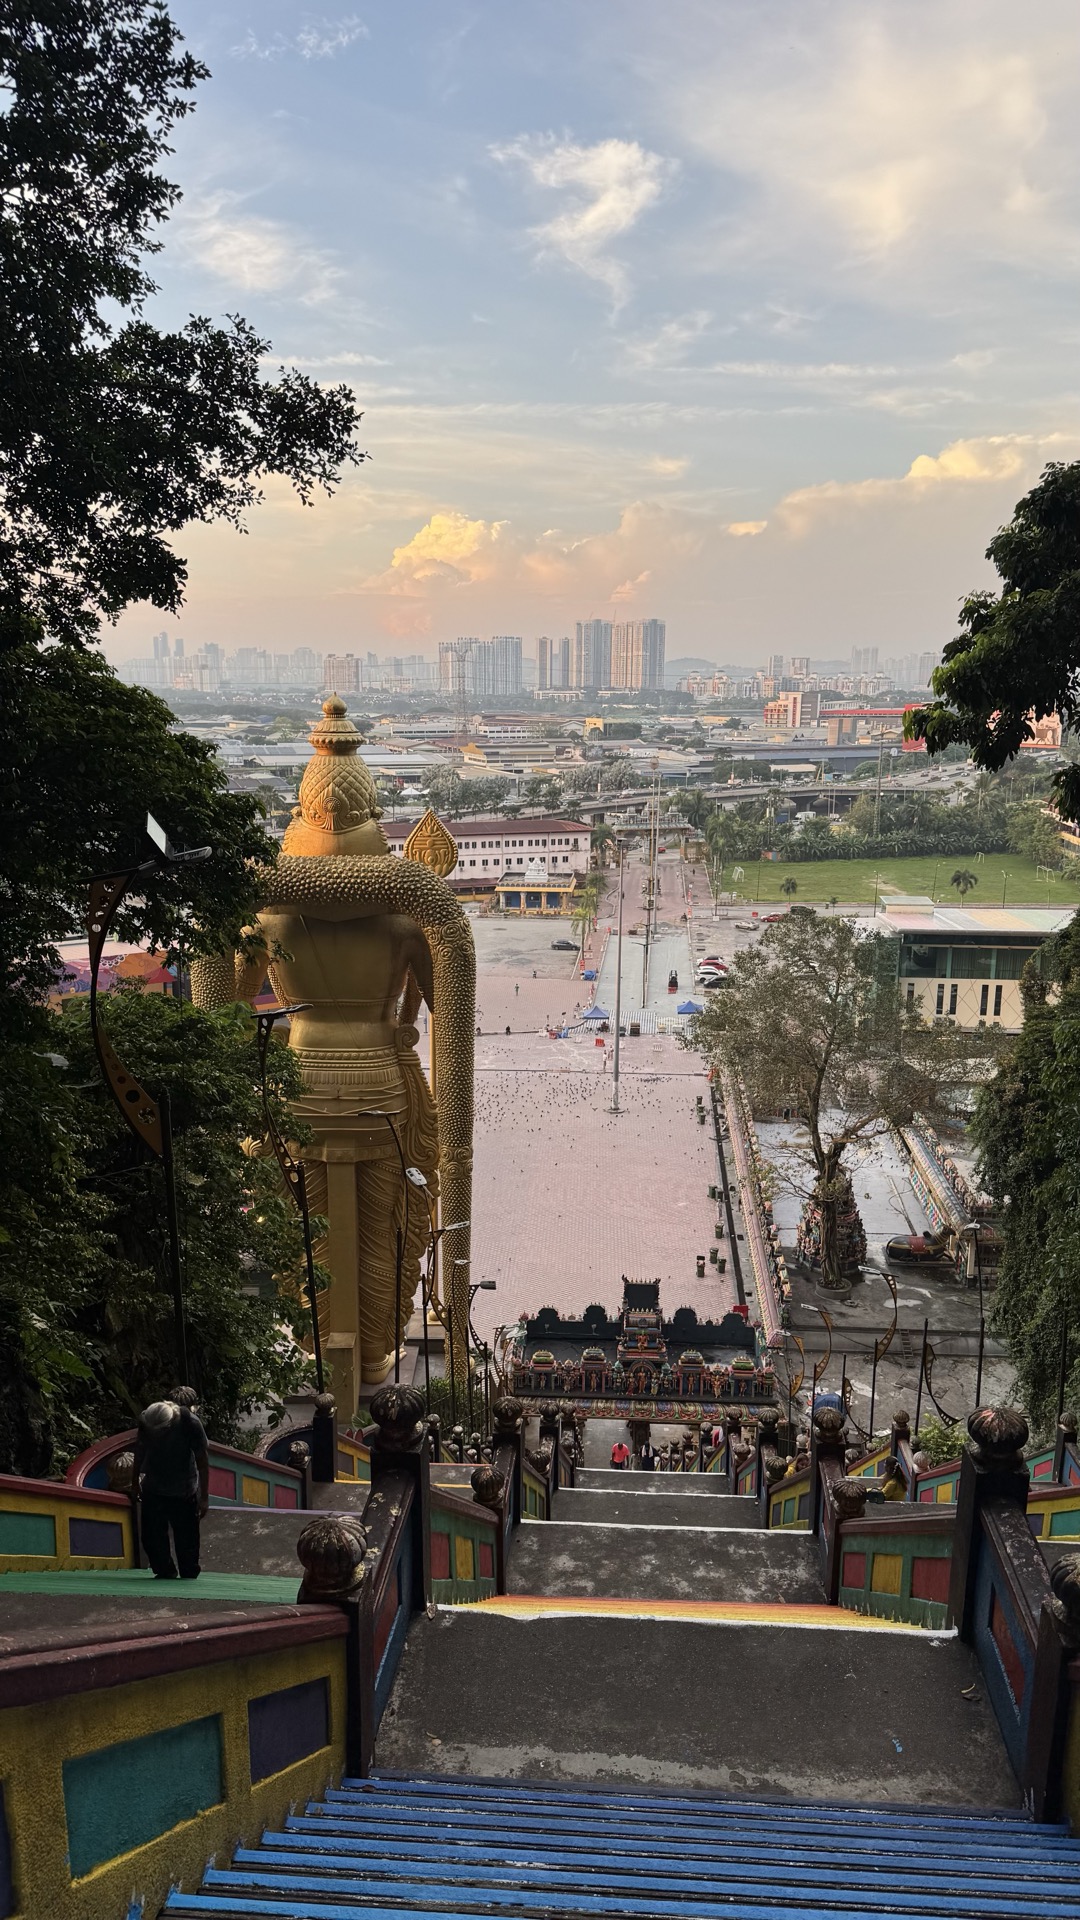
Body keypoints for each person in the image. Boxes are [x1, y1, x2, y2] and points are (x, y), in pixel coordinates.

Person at [133, 1398, 210, 1580]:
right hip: (154, 1485)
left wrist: (204, 1497)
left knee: (187, 1539)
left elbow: (203, 1462)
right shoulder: (147, 1421)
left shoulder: (189, 1423)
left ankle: (189, 1575)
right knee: (152, 1537)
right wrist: (134, 1481)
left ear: (168, 1426)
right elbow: (139, 1451)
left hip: (184, 1487)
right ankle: (165, 1571)